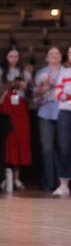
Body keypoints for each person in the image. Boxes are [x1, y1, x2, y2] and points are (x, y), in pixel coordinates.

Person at [0, 46, 32, 190]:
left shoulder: (25, 72)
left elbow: (31, 94)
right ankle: (3, 176)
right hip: (5, 108)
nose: (14, 59)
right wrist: (8, 85)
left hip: (20, 110)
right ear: (5, 57)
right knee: (5, 141)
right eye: (11, 56)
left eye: (16, 56)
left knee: (19, 141)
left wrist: (24, 86)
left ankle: (16, 177)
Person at [35, 46, 66, 192]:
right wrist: (47, 85)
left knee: (62, 147)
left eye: (56, 53)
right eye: (51, 53)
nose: (54, 55)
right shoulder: (41, 73)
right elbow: (36, 94)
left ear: (61, 56)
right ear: (46, 57)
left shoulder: (67, 72)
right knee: (47, 148)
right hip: (45, 113)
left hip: (63, 112)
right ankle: (48, 181)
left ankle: (62, 182)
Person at [51, 46, 71, 196]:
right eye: (70, 52)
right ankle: (63, 184)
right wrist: (67, 94)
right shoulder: (64, 72)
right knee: (64, 148)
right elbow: (58, 94)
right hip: (65, 112)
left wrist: (67, 93)